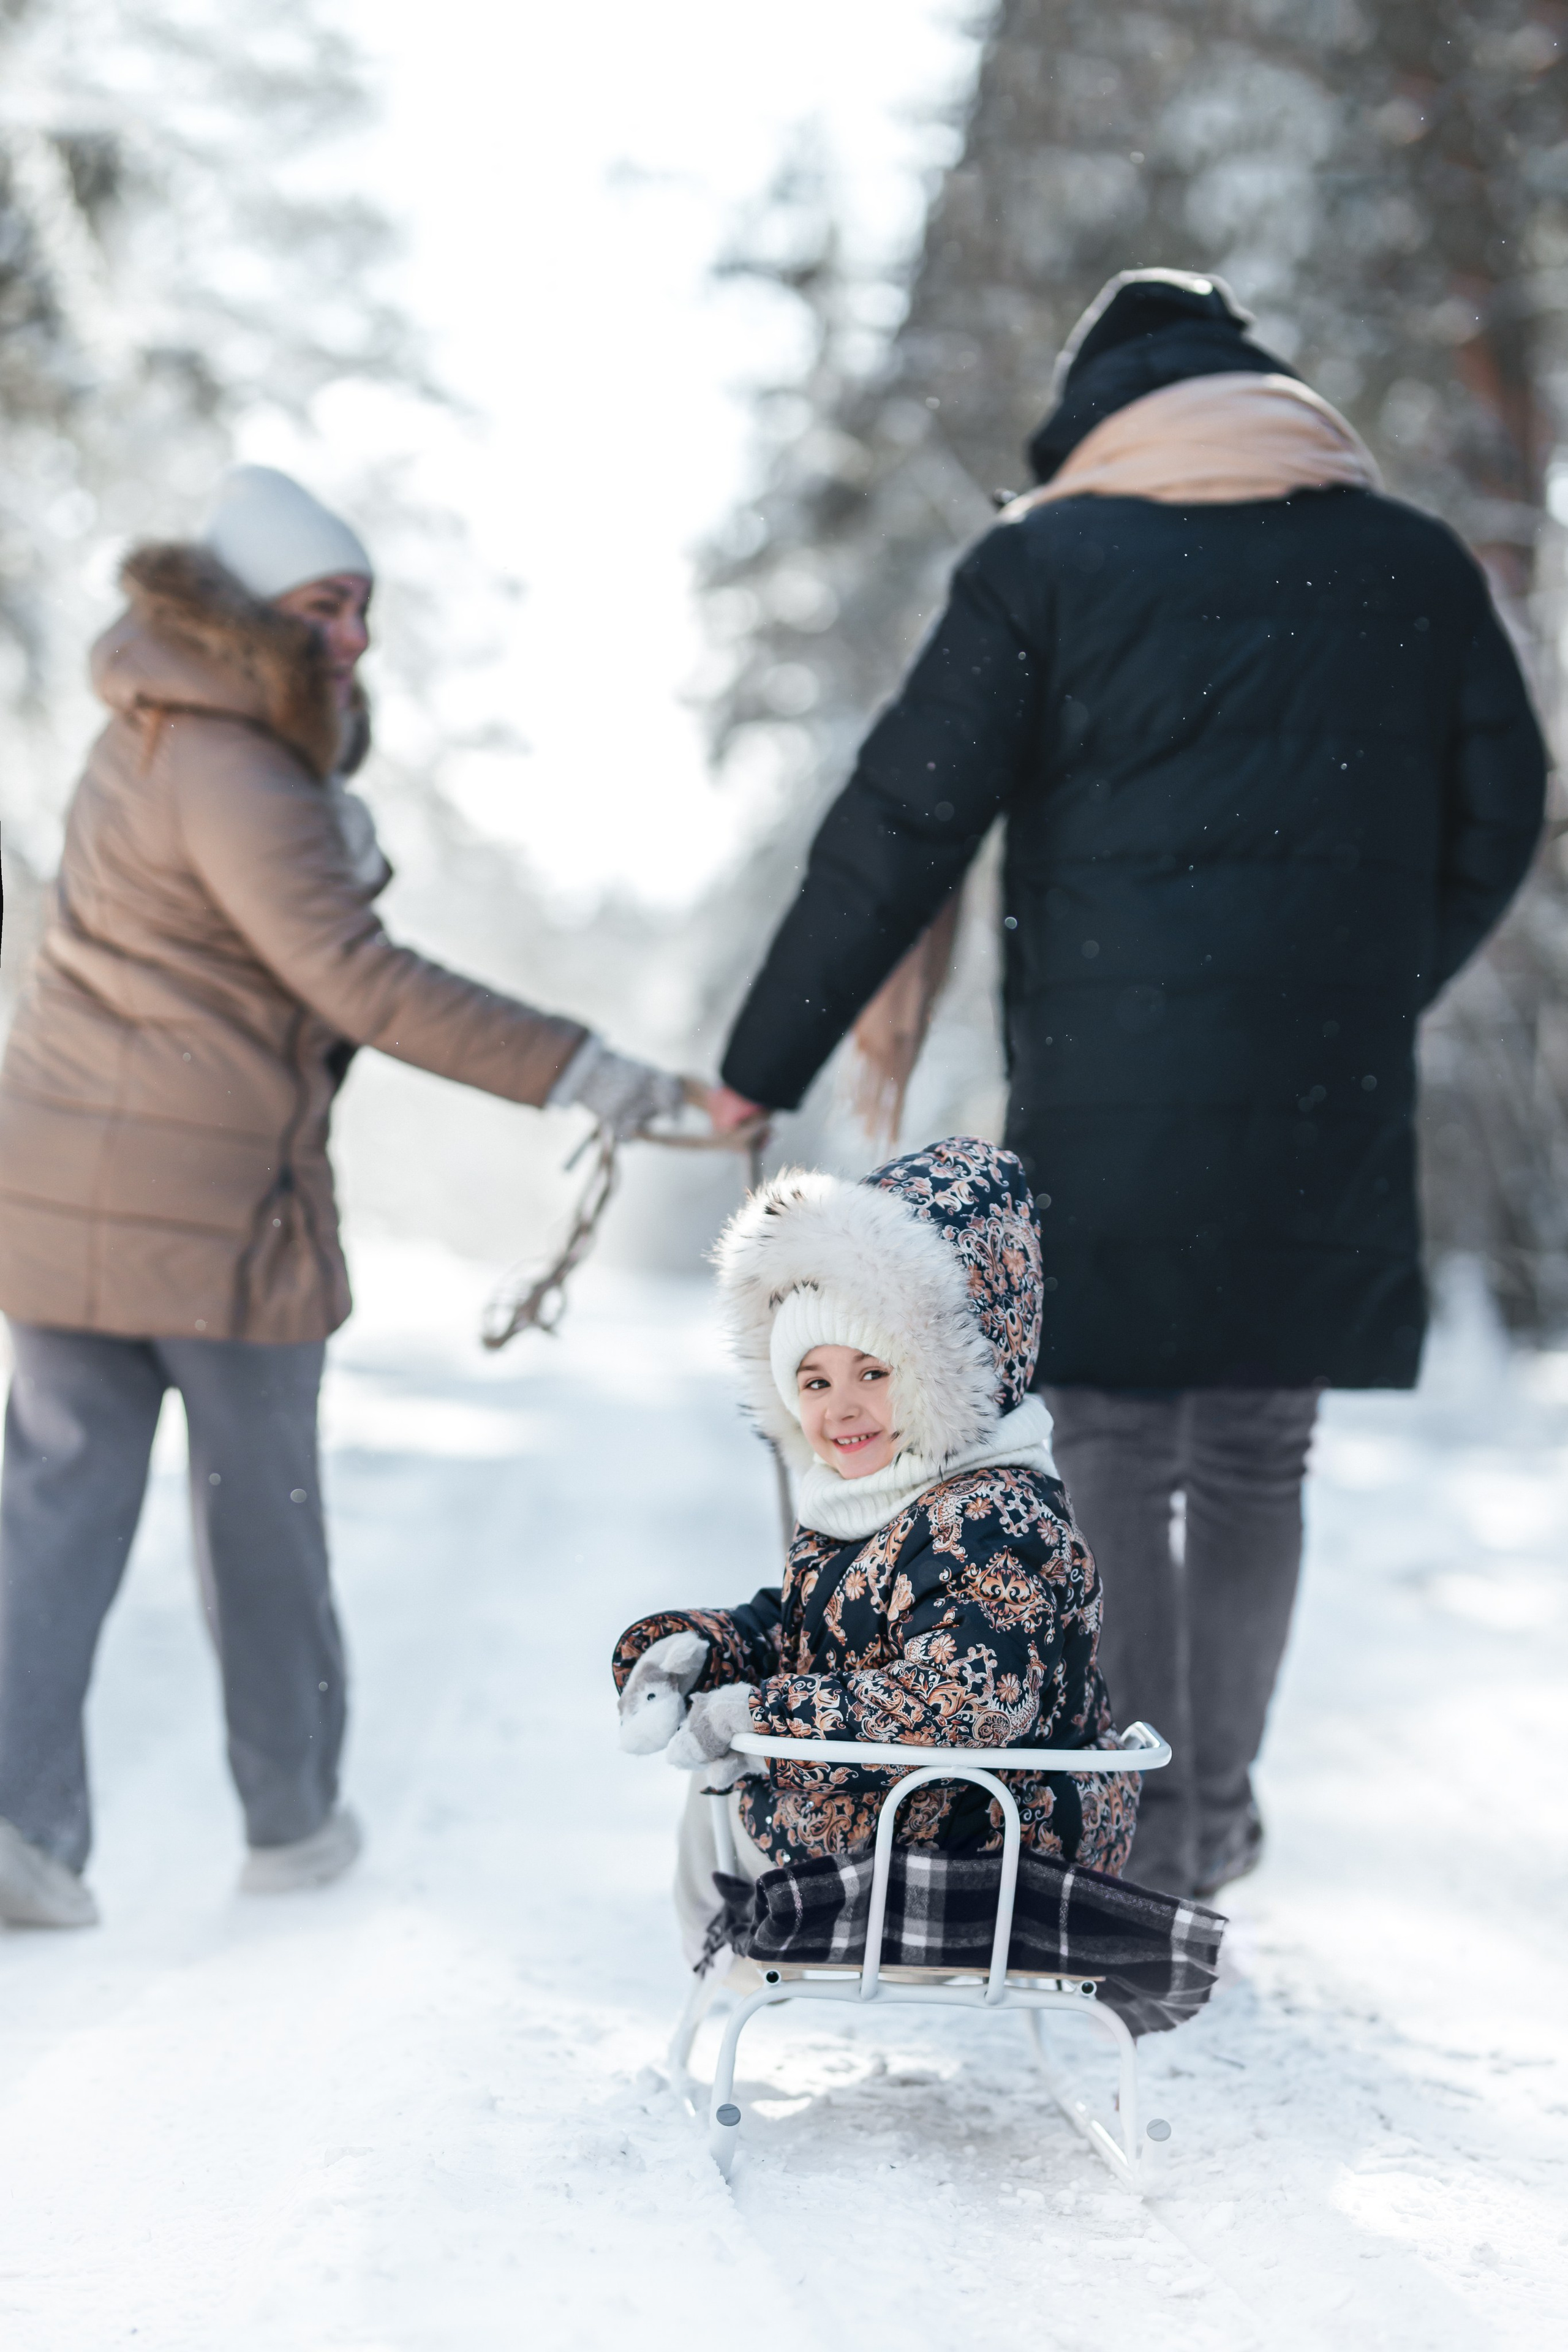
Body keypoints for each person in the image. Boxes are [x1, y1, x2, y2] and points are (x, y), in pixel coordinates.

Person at [709, 271, 1548, 1899]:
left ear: (1099, 417)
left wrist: (764, 1066)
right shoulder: (1411, 565)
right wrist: (1370, 987)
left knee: (1113, 1439)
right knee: (1255, 1453)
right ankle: (1203, 1822)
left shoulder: (1046, 563)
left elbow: (903, 822)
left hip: (1110, 1089)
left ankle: (1119, 1823)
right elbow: (1502, 811)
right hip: (1326, 1087)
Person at [0, 465, 697, 1928]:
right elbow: (358, 981)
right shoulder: (240, 768)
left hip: (59, 1196)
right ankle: (294, 1820)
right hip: (214, 1213)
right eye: (328, 607)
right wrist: (584, 1068)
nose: (355, 637)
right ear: (251, 611)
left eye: (365, 608)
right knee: (263, 1514)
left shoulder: (141, 738)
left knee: (57, 1510)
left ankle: (22, 1828)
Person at [611, 1136, 1139, 1970]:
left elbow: (971, 1702)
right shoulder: (886, 1497)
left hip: (996, 1861)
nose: (842, 1407)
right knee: (723, 1776)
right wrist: (700, 1650)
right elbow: (811, 1630)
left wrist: (764, 1718)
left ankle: (731, 1960)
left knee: (730, 1779)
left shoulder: (992, 1513)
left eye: (874, 1372)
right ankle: (726, 1963)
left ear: (945, 1370)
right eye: (815, 1382)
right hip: (928, 1826)